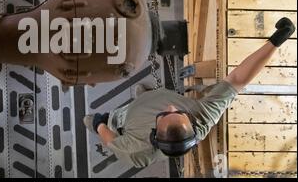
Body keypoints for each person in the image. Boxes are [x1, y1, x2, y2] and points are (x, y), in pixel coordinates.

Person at [84, 18, 296, 168]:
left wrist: (100, 124)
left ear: (153, 134)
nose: (171, 107)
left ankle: (101, 117)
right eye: (178, 112)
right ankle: (146, 97)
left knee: (92, 120)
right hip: (148, 102)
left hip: (123, 120)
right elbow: (238, 79)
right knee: (148, 98)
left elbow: (112, 141)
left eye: (164, 115)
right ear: (191, 123)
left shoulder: (137, 150)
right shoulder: (202, 116)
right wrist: (277, 40)